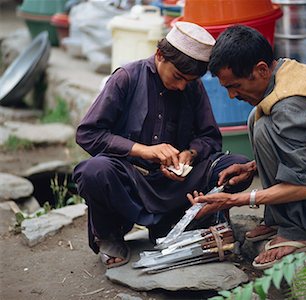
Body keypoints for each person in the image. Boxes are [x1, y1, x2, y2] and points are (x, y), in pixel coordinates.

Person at [187, 25, 306, 270]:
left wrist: (235, 200)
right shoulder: (286, 70)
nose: (232, 96)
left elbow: (301, 188)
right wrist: (252, 167)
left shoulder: (288, 104)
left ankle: (300, 230)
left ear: (261, 69)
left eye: (234, 86)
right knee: (258, 118)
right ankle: (282, 220)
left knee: (265, 124)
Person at [73, 22, 252, 269]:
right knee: (94, 170)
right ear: (160, 55)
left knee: (238, 166)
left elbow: (210, 137)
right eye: (178, 77)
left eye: (188, 81)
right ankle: (109, 235)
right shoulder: (126, 77)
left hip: (178, 185)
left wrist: (189, 155)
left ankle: (180, 222)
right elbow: (87, 134)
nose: (181, 86)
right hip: (132, 179)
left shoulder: (192, 85)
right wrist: (142, 150)